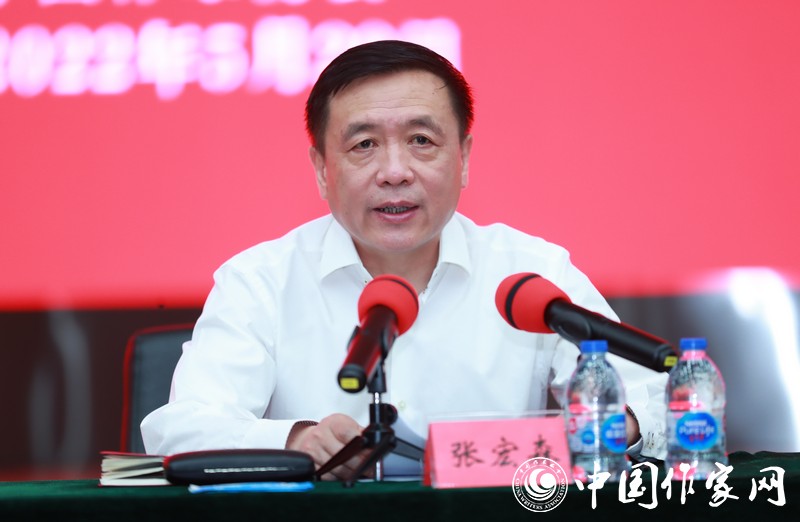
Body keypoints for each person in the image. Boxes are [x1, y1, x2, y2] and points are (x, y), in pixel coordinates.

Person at [141, 40, 667, 480]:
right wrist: (295, 440)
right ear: (321, 169)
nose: (395, 171)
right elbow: (179, 429)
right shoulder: (259, 281)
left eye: (421, 140)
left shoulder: (532, 274)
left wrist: (618, 424)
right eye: (364, 145)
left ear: (464, 158)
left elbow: (663, 402)